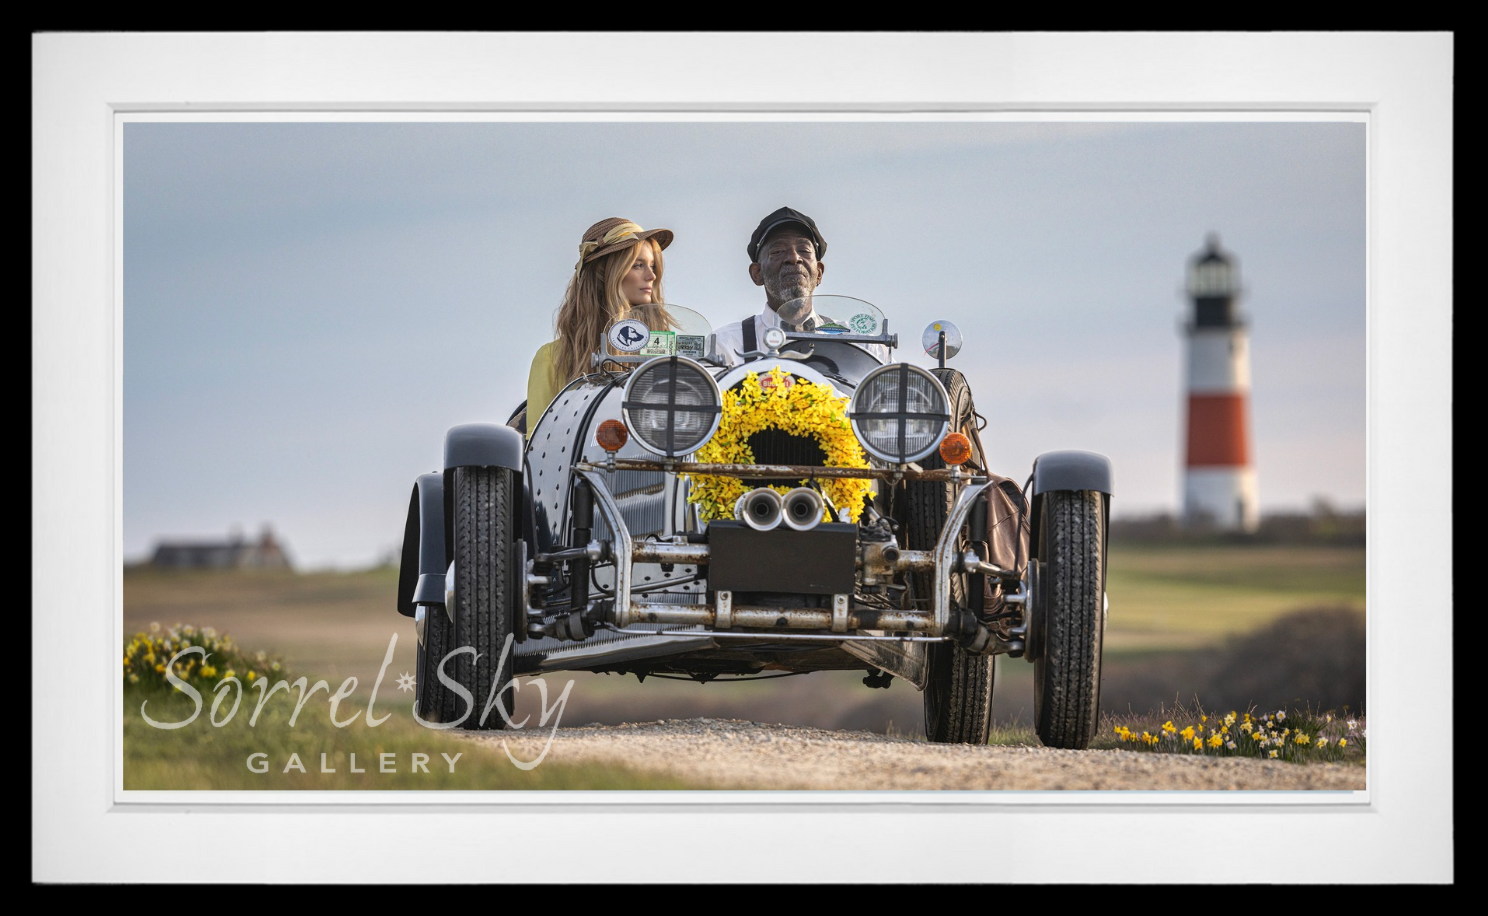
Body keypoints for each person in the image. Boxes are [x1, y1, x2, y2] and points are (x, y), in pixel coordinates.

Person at [524, 217, 674, 437]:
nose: (652, 276)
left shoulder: (664, 351)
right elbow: (537, 447)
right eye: (638, 265)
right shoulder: (551, 358)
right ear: (606, 275)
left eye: (652, 266)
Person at [712, 206, 886, 366]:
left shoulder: (861, 345)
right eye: (778, 251)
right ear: (757, 274)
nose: (794, 258)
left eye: (804, 250)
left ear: (819, 273)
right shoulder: (726, 345)